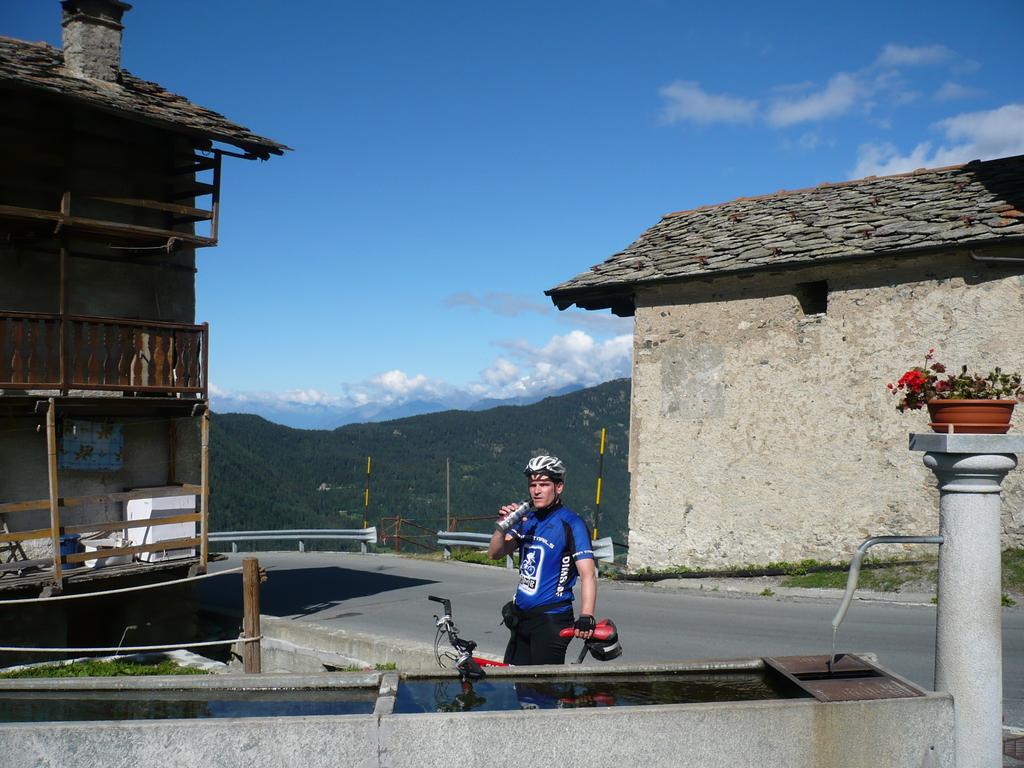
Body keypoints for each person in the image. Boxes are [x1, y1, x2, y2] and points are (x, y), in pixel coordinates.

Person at [487, 455, 597, 665]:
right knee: (514, 684)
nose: (536, 490)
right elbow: (495, 553)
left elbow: (588, 573)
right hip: (521, 617)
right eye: (533, 485)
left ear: (559, 487)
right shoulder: (527, 520)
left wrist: (586, 615)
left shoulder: (571, 523)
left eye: (544, 485)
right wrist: (502, 526)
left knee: (543, 691)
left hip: (551, 619)